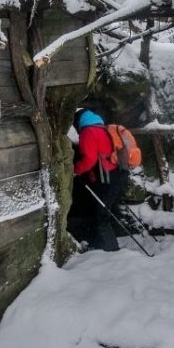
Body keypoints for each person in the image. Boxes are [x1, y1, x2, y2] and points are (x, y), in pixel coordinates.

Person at [70, 107, 122, 251]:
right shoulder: (103, 129)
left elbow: (89, 159)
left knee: (101, 216)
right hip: (117, 175)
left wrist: (75, 170)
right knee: (102, 212)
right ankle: (101, 244)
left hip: (106, 179)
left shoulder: (88, 132)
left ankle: (112, 250)